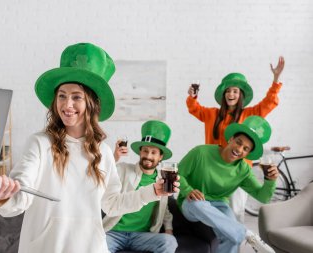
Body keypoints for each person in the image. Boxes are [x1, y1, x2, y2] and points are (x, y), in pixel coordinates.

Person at [0, 42, 179, 253]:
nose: (67, 105)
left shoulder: (104, 152)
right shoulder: (40, 143)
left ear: (92, 103)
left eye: (76, 97)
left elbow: (113, 204)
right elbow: (21, 195)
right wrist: (0, 194)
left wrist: (153, 191)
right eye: (62, 95)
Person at [186, 57, 285, 222]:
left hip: (237, 173)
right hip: (212, 171)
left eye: (235, 91)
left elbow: (269, 102)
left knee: (235, 213)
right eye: (228, 91)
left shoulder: (249, 114)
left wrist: (276, 79)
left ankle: (235, 242)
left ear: (241, 95)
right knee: (211, 213)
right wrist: (192, 97)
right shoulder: (212, 114)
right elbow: (194, 108)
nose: (231, 94)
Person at [177, 116, 279, 253]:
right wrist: (188, 190)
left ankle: (240, 233)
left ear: (248, 153)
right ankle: (247, 234)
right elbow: (177, 174)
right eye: (238, 142)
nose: (239, 149)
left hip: (219, 205)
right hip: (191, 202)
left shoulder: (243, 170)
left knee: (232, 237)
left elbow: (263, 197)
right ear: (230, 139)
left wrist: (270, 180)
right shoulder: (201, 152)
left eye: (245, 148)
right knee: (197, 204)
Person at [103, 120, 178, 253]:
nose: (148, 156)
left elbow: (164, 210)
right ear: (140, 152)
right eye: (145, 151)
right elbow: (100, 177)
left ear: (161, 157)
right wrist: (114, 157)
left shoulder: (163, 181)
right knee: (96, 246)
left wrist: (169, 231)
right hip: (114, 233)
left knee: (169, 242)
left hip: (142, 236)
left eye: (153, 152)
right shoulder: (123, 169)